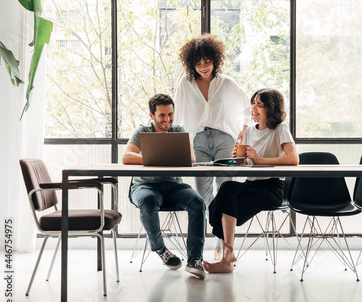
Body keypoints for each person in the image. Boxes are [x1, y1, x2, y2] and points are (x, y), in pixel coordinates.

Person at [204, 88, 299, 273]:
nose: (253, 107)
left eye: (259, 104)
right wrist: (237, 159)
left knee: (220, 210)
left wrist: (259, 161)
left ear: (271, 109)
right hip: (251, 183)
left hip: (272, 187)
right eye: (253, 102)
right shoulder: (248, 131)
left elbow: (293, 159)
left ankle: (226, 260)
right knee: (227, 188)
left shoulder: (280, 129)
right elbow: (247, 162)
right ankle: (228, 254)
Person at [174, 33, 251, 261]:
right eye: (198, 63)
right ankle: (210, 237)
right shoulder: (185, 84)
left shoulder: (226, 83)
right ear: (191, 64)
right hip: (197, 141)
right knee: (201, 194)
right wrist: (181, 143)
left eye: (207, 62)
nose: (203, 67)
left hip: (225, 140)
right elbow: (177, 115)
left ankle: (223, 243)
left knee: (226, 189)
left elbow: (248, 107)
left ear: (215, 60)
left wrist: (244, 130)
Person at [122, 93, 206, 280]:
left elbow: (191, 158)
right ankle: (161, 250)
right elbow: (127, 157)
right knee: (148, 201)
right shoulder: (142, 131)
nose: (167, 119)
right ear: (152, 115)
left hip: (174, 185)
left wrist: (159, 158)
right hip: (145, 186)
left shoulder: (178, 130)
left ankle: (195, 259)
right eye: (162, 115)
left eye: (170, 114)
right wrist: (154, 158)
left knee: (197, 203)